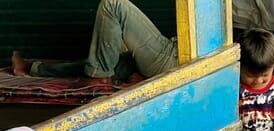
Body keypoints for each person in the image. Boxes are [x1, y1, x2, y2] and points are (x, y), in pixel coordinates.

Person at [11, 0, 178, 82]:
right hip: (171, 56)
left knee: (113, 4)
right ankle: (33, 68)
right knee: (105, 59)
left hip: (173, 59)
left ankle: (100, 74)